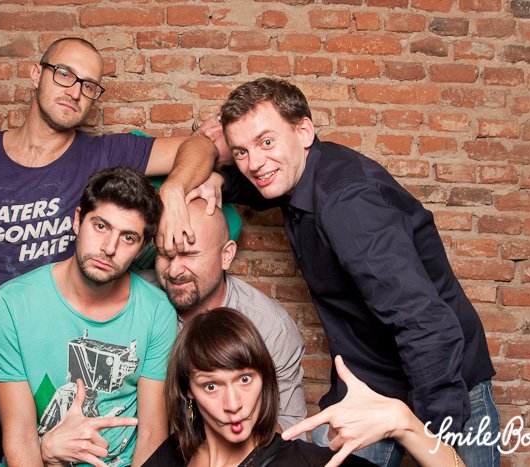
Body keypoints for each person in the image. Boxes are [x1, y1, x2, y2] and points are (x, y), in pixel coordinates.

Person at [0, 37, 215, 466]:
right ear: (35, 74)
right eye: (64, 75)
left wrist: (172, 191)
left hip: (51, 367)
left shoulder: (102, 154)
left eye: (89, 85)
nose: (75, 91)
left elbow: (201, 147)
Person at [191, 78, 498, 466]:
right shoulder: (302, 172)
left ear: (304, 131)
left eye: (266, 142)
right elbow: (263, 180)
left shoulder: (348, 205)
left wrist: (430, 435)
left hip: (445, 379)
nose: (254, 162)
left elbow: (423, 321)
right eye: (241, 151)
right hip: (372, 378)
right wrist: (222, 179)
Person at [0, 167, 176, 467]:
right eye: (100, 226)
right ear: (77, 220)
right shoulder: (9, 305)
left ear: (140, 249)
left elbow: (152, 435)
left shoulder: (157, 311)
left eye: (128, 237)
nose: (109, 248)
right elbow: (20, 438)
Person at [144, 308, 463, 467]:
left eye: (245, 379)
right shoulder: (174, 455)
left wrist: (404, 424)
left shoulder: (304, 462)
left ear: (265, 378)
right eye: (211, 386)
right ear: (188, 389)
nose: (233, 403)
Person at [151, 198, 307, 431]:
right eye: (164, 254)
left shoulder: (270, 327)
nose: (174, 271)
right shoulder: (137, 299)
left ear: (226, 255)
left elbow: (291, 427)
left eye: (189, 255)